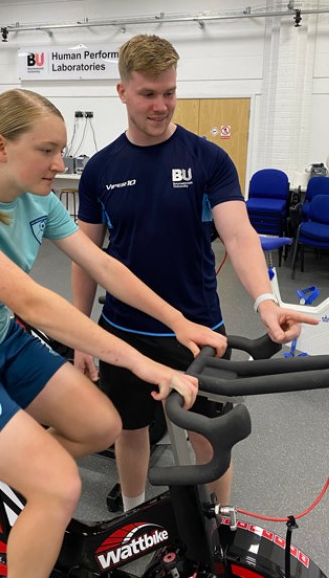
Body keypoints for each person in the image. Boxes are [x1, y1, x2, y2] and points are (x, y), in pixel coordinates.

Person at [0, 87, 214, 578]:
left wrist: (177, 320)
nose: (59, 162)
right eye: (46, 150)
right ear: (0, 146)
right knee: (61, 485)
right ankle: (35, 485)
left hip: (3, 342)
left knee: (102, 425)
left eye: (61, 149)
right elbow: (31, 300)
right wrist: (141, 361)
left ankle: (14, 473)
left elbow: (103, 265)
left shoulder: (35, 199)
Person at [72, 34, 318, 511]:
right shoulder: (100, 169)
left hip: (200, 330)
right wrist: (82, 333)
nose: (161, 105)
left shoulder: (208, 159)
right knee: (131, 429)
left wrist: (265, 301)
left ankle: (219, 524)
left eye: (169, 92)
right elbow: (87, 254)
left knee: (210, 437)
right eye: (148, 93)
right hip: (125, 331)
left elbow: (239, 234)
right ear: (122, 91)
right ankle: (135, 510)